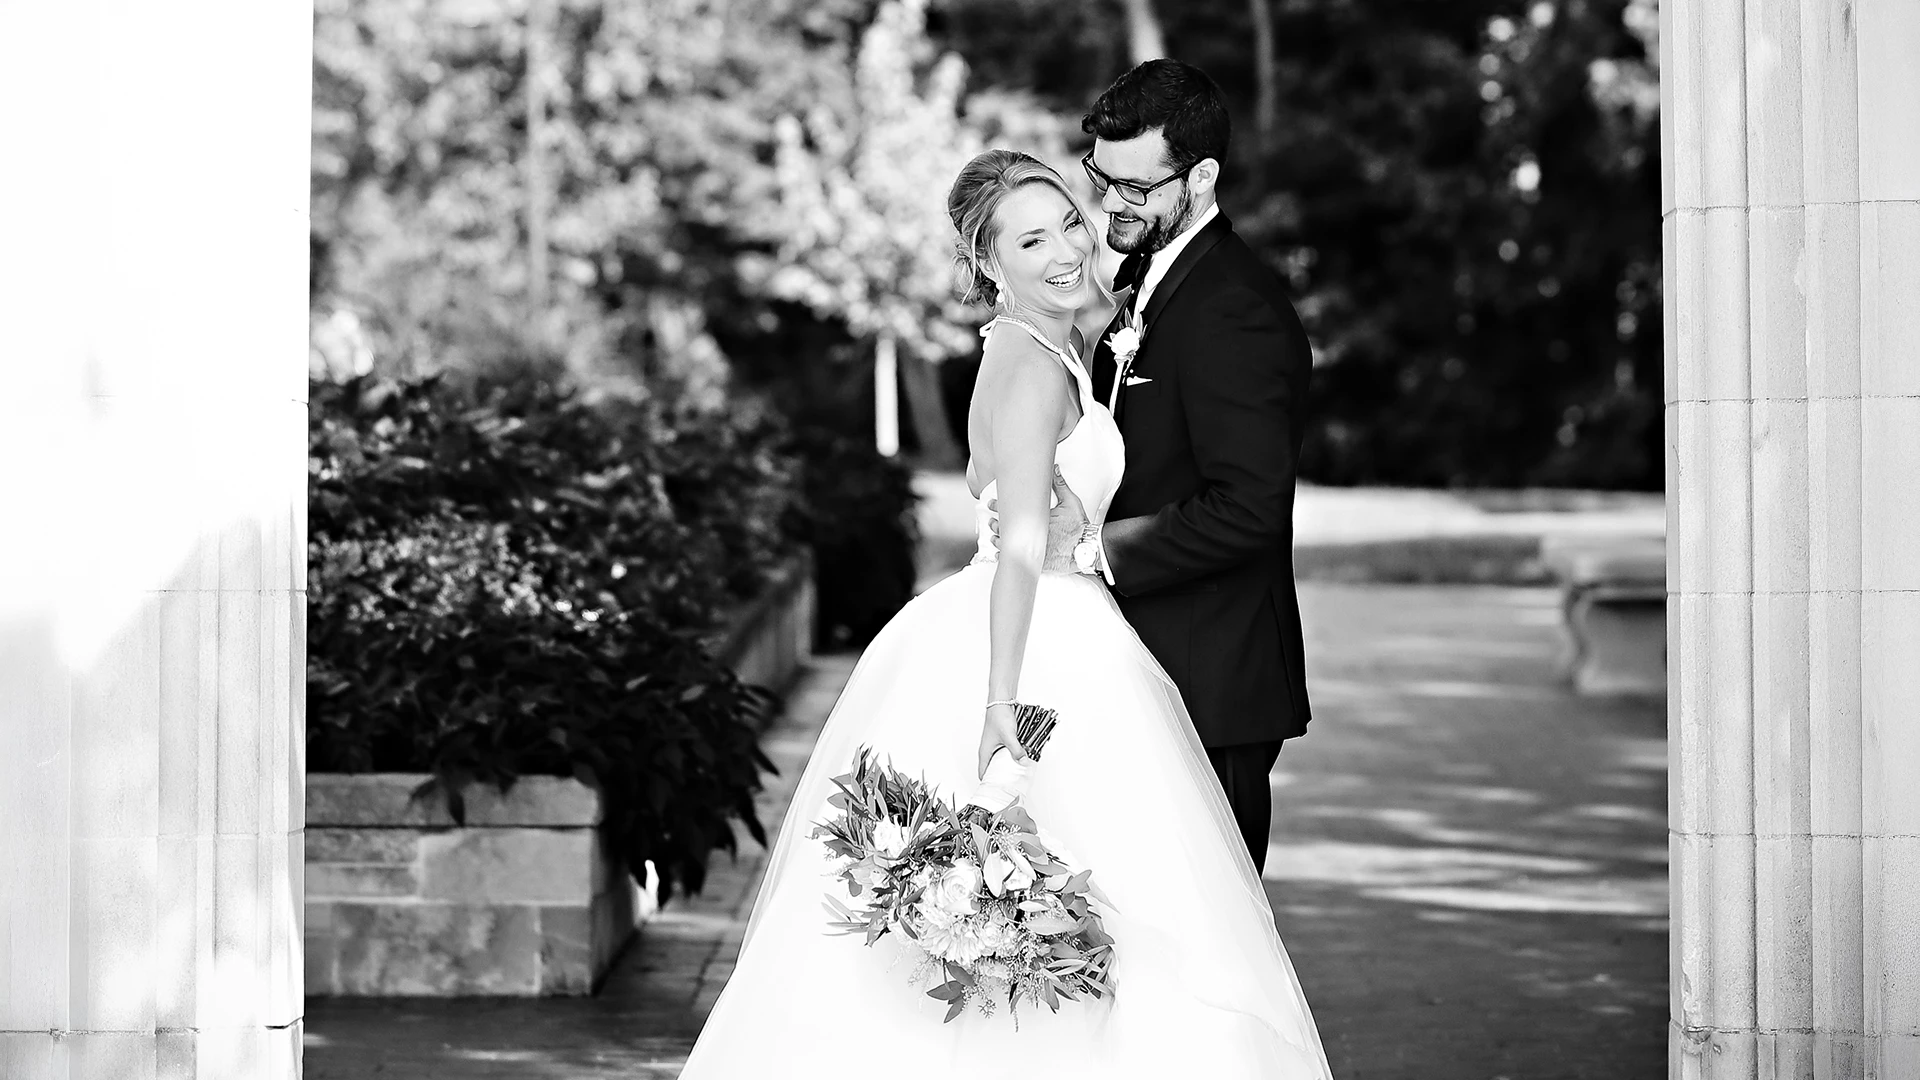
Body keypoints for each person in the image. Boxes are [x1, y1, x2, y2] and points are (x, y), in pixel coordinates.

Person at [677, 148, 1330, 1079]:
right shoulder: (1026, 365)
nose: (1068, 247)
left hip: (1067, 622)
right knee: (1085, 900)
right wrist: (998, 705)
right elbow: (1022, 543)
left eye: (1069, 221)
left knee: (1090, 903)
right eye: (1033, 239)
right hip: (1039, 642)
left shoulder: (1046, 343)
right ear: (989, 264)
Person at [997, 59, 1314, 872]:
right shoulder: (1149, 279)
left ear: (1201, 176)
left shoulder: (1232, 309)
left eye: (1137, 188)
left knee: (1214, 945)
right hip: (1152, 672)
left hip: (1213, 681)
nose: (1110, 205)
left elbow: (1248, 508)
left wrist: (1094, 545)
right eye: (1102, 178)